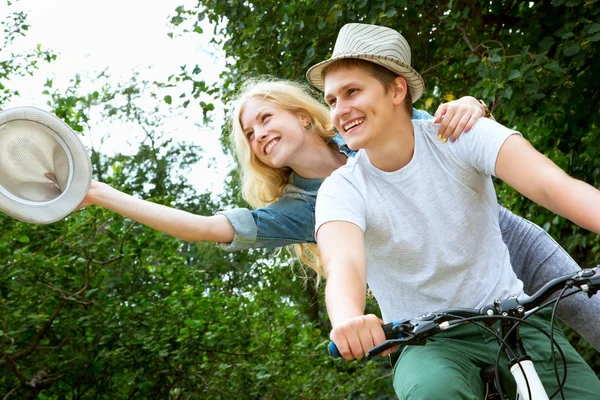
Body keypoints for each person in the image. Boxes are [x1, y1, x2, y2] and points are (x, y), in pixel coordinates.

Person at [80, 76, 600, 355]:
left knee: (590, 316)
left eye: (266, 118)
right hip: (439, 298)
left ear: (302, 116)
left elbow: (448, 130)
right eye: (249, 134)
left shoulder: (365, 124)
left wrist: (472, 105)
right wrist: (101, 192)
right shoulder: (298, 210)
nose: (258, 133)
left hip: (507, 245)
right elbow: (207, 228)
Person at [310, 23, 600, 398]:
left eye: (352, 92)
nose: (340, 111)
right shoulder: (342, 188)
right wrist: (348, 319)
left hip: (513, 320)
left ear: (397, 89)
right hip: (426, 343)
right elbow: (343, 263)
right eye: (332, 100)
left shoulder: (459, 136)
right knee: (435, 391)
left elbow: (553, 185)